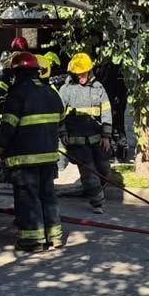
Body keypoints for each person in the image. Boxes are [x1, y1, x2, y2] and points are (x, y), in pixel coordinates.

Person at [0, 52, 65, 253]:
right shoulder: (51, 93)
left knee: (28, 198)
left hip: (24, 159)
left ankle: (33, 241)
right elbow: (61, 118)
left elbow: (7, 127)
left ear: (19, 73)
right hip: (49, 158)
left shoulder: (17, 95)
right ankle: (55, 237)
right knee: (48, 195)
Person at [58, 53, 113, 214]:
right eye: (78, 74)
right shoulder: (66, 90)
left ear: (90, 71)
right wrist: (62, 133)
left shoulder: (98, 88)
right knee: (88, 171)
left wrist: (106, 136)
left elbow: (106, 113)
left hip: (97, 139)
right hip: (76, 141)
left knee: (104, 169)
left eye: (84, 73)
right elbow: (59, 114)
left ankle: (93, 190)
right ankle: (97, 202)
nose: (81, 77)